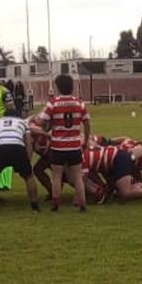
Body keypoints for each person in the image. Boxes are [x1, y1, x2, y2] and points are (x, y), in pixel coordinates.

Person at [36, 73, 89, 212]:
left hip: (58, 146)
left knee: (57, 176)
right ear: (72, 87)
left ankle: (55, 205)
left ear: (58, 87)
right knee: (77, 176)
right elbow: (87, 123)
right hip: (74, 145)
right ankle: (82, 204)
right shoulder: (80, 103)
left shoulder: (53, 103)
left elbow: (40, 121)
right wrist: (86, 140)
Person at [0, 114, 40, 214]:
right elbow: (28, 142)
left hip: (0, 148)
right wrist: (28, 159)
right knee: (29, 177)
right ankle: (35, 207)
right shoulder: (23, 122)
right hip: (17, 147)